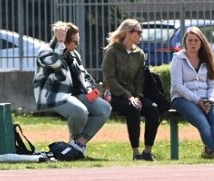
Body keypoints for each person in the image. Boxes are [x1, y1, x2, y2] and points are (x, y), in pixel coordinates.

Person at [33, 21, 111, 157]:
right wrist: (60, 44)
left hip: (76, 94)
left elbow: (84, 75)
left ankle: (78, 143)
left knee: (104, 109)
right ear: (65, 41)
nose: (77, 45)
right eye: (75, 42)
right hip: (53, 95)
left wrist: (91, 89)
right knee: (80, 111)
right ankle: (73, 145)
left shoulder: (74, 55)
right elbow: (55, 64)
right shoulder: (45, 52)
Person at [170, 26, 214, 159]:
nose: (193, 43)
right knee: (203, 123)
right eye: (190, 40)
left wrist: (211, 99)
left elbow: (213, 84)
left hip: (206, 98)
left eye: (196, 40)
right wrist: (197, 100)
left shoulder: (207, 58)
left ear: (201, 42)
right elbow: (177, 86)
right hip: (182, 99)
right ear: (185, 42)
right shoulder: (178, 58)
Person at [102, 19, 160, 161]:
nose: (141, 35)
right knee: (133, 109)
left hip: (134, 95)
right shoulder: (112, 52)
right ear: (128, 33)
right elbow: (109, 79)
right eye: (138, 32)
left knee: (153, 109)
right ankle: (136, 152)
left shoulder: (139, 54)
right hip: (116, 96)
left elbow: (140, 78)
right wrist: (128, 96)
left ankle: (148, 151)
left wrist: (138, 96)